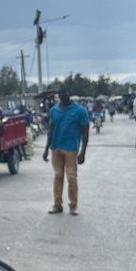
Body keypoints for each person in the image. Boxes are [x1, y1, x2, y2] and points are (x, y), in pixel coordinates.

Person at [43, 87, 89, 215]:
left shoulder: (80, 111)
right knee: (58, 176)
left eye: (64, 92)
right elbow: (50, 130)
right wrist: (46, 149)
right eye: (60, 93)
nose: (62, 94)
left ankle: (73, 205)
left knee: (71, 177)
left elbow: (85, 132)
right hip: (56, 148)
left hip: (71, 149)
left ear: (69, 93)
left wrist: (83, 152)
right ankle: (57, 205)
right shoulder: (54, 110)